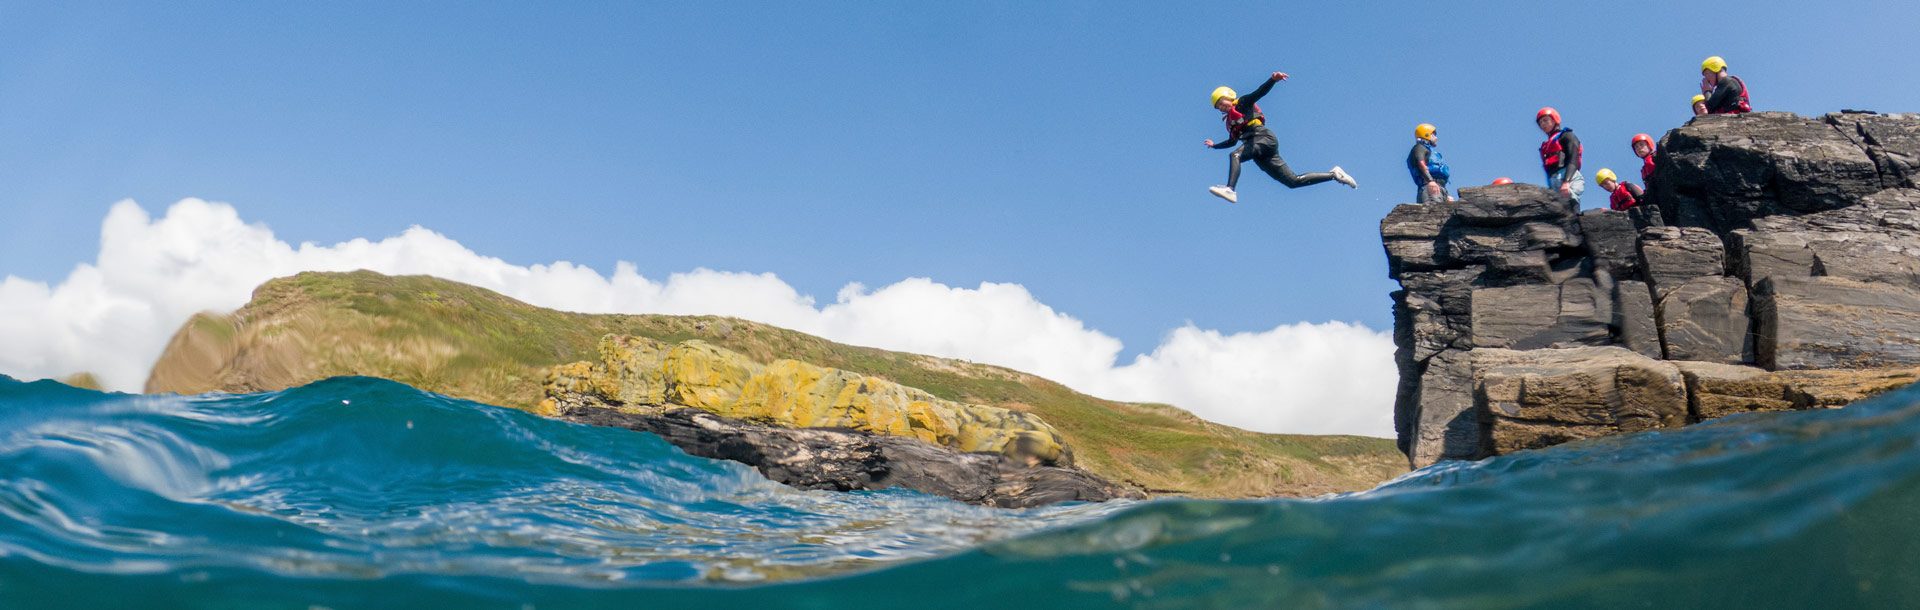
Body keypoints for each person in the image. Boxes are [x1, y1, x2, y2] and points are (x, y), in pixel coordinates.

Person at [1203, 71, 1358, 203]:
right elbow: (1232, 141)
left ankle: (1230, 189)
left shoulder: (1242, 103)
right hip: (1259, 151)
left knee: (1235, 155)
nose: (1222, 108)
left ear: (1229, 96)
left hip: (1263, 138)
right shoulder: (1231, 121)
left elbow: (1259, 92)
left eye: (1221, 103)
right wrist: (1214, 145)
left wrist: (1273, 80)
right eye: (1219, 108)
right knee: (1293, 181)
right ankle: (1334, 175)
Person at [1535, 107, 1585, 204]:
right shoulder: (1546, 145)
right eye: (1540, 123)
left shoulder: (1566, 135)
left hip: (1568, 176)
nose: (1542, 124)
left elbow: (1573, 157)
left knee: (1571, 205)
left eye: (1545, 120)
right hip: (1554, 180)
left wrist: (1566, 182)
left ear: (1555, 119)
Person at [1408, 123, 1450, 203]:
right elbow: (1421, 164)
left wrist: (1446, 195)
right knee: (1434, 211)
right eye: (1434, 135)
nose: (1436, 138)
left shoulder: (1430, 151)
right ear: (1426, 135)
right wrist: (1430, 181)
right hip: (1430, 187)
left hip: (1439, 187)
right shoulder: (1420, 148)